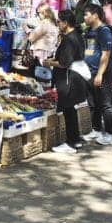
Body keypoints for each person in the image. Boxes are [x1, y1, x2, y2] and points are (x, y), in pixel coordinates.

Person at [45, 10, 88, 152]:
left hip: (68, 78)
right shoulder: (78, 36)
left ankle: (70, 143)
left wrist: (48, 63)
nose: (58, 24)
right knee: (70, 109)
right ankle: (75, 139)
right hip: (75, 76)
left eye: (59, 21)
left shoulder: (69, 39)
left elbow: (64, 62)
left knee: (68, 109)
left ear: (65, 23)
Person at [81, 5, 112, 145]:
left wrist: (100, 74)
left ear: (95, 15)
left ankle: (110, 134)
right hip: (89, 72)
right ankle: (95, 129)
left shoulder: (104, 31)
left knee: (105, 104)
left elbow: (105, 54)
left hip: (102, 73)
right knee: (92, 103)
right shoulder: (89, 31)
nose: (84, 17)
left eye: (86, 14)